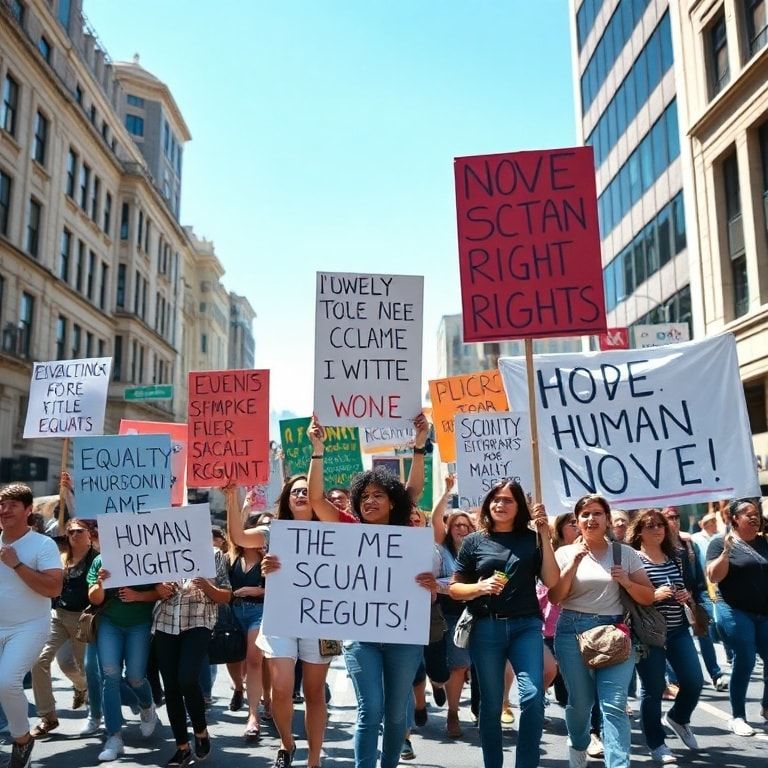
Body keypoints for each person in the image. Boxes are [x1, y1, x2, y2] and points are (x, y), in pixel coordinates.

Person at [306, 413, 435, 768]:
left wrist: (420, 446)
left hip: (403, 636)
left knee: (396, 716)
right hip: (361, 635)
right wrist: (318, 450)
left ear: (393, 502)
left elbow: (415, 490)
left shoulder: (407, 529)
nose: (370, 502)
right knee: (370, 711)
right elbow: (317, 501)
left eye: (379, 495)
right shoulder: (349, 527)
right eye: (364, 497)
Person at [449, 480, 558, 768]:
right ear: (487, 504)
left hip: (526, 627)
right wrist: (480, 587)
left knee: (533, 697)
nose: (500, 504)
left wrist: (545, 535)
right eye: (495, 499)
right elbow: (454, 588)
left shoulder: (532, 538)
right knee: (491, 704)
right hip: (486, 628)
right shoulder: (475, 541)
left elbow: (551, 581)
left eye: (508, 500)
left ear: (519, 506)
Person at [229, 474, 334, 768]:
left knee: (314, 693)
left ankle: (314, 760)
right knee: (282, 689)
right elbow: (238, 537)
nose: (301, 495)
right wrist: (230, 498)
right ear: (287, 498)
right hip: (281, 617)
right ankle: (287, 743)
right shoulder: (272, 532)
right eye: (295, 491)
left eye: (306, 491)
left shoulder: (334, 530)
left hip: (322, 619)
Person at [549, 494, 654, 768]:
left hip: (614, 633)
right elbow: (555, 597)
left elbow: (648, 596)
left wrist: (627, 583)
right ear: (577, 521)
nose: (591, 519)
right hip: (572, 630)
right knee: (581, 704)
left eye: (597, 513)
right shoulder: (564, 553)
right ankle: (579, 741)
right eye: (584, 514)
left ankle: (618, 764)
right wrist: (571, 566)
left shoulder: (625, 554)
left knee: (614, 704)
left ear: (607, 519)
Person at [627, 509, 703, 764]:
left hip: (678, 628)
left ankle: (679, 718)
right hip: (648, 633)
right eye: (650, 526)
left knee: (694, 681)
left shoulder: (676, 556)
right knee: (653, 689)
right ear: (639, 531)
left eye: (660, 525)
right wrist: (653, 594)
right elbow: (628, 595)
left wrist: (686, 596)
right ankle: (656, 743)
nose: (657, 529)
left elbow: (687, 587)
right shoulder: (632, 558)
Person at [0, 483, 63, 768]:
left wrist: (16, 564)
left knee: (7, 682)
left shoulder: (43, 545)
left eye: (12, 504)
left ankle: (22, 740)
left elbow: (53, 588)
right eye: (1, 504)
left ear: (28, 511)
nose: (4, 509)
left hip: (28, 627)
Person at [152, 542, 232, 767]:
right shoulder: (161, 552)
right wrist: (158, 587)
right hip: (164, 624)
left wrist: (206, 585)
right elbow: (152, 585)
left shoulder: (213, 554)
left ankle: (200, 730)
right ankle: (182, 748)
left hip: (198, 623)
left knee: (187, 678)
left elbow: (225, 595)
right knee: (172, 687)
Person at [87, 555, 161, 762]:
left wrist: (137, 596)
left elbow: (161, 592)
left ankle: (147, 706)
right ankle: (114, 737)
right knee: (109, 675)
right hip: (110, 624)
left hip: (140, 624)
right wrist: (100, 582)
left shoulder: (148, 556)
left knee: (135, 677)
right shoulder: (101, 560)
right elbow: (94, 598)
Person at [706, 498, 768, 736]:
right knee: (746, 658)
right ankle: (737, 716)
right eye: (748, 514)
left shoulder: (763, 542)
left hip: (763, 611)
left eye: (757, 514)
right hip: (733, 609)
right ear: (734, 519)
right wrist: (726, 551)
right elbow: (713, 576)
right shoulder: (719, 543)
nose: (754, 518)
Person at [31, 518, 97, 737]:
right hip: (58, 616)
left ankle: (84, 690)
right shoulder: (60, 558)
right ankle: (47, 717)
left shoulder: (98, 560)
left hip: (82, 619)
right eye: (71, 532)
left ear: (89, 534)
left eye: (80, 531)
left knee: (75, 666)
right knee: (39, 660)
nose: (75, 535)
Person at [226, 515, 267, 739]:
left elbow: (287, 589)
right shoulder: (230, 559)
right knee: (233, 657)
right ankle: (238, 687)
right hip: (233, 614)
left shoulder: (270, 560)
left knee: (253, 659)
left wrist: (258, 591)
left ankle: (253, 715)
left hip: (259, 613)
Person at [690, 511, 729, 691]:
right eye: (709, 522)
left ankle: (715, 674)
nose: (713, 524)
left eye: (715, 521)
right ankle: (675, 679)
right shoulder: (694, 539)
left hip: (702, 590)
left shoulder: (719, 539)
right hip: (676, 597)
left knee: (705, 631)